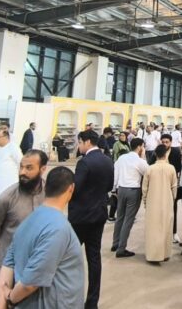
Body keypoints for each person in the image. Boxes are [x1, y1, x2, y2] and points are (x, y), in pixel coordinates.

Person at [0, 167, 84, 309]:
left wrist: (1, 305)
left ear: (46, 187)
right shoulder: (58, 228)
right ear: (71, 188)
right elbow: (31, 282)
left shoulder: (28, 221)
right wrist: (11, 298)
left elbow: (8, 264)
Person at [0, 150, 47, 305]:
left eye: (29, 168)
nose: (22, 172)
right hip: (9, 264)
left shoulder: (50, 194)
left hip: (38, 262)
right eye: (21, 167)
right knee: (3, 301)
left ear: (43, 169)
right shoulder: (6, 198)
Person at [69, 130, 113, 309]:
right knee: (94, 258)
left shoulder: (84, 162)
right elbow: (109, 186)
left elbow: (75, 189)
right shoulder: (107, 160)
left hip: (80, 216)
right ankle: (92, 301)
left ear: (87, 142)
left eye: (79, 142)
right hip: (99, 214)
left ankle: (67, 297)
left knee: (68, 256)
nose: (78, 146)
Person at [111, 137, 148, 258]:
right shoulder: (140, 161)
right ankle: (121, 249)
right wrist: (143, 157)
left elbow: (116, 173)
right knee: (128, 219)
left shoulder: (122, 158)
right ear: (139, 147)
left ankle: (115, 243)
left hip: (121, 189)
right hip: (133, 190)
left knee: (120, 217)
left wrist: (114, 189)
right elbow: (148, 173)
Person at [142, 144, 178, 263]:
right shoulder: (171, 168)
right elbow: (174, 187)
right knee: (166, 227)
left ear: (155, 154)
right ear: (166, 154)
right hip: (167, 201)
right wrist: (172, 199)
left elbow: (144, 188)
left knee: (153, 228)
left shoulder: (150, 169)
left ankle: (153, 255)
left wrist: (145, 201)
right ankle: (165, 254)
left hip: (152, 202)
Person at [0, 129, 24, 204]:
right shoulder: (0, 148)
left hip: (9, 182)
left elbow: (21, 162)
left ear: (6, 137)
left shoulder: (13, 147)